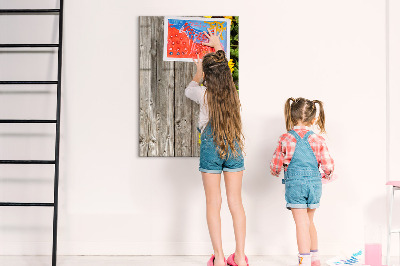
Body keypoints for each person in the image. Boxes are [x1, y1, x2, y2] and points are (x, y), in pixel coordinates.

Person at [185, 28, 248, 266]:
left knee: (214, 203)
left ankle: (220, 258)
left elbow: (189, 88)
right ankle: (240, 257)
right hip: (233, 147)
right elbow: (225, 74)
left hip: (211, 149)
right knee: (236, 202)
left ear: (207, 77)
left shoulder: (202, 95)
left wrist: (199, 71)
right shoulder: (234, 94)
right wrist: (219, 47)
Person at [270, 98, 335, 266]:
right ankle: (315, 260)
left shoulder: (285, 138)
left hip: (295, 186)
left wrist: (275, 171)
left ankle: (304, 261)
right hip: (314, 185)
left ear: (291, 117)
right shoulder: (318, 139)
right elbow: (328, 165)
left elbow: (275, 164)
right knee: (309, 222)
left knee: (301, 224)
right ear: (313, 120)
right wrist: (327, 176)